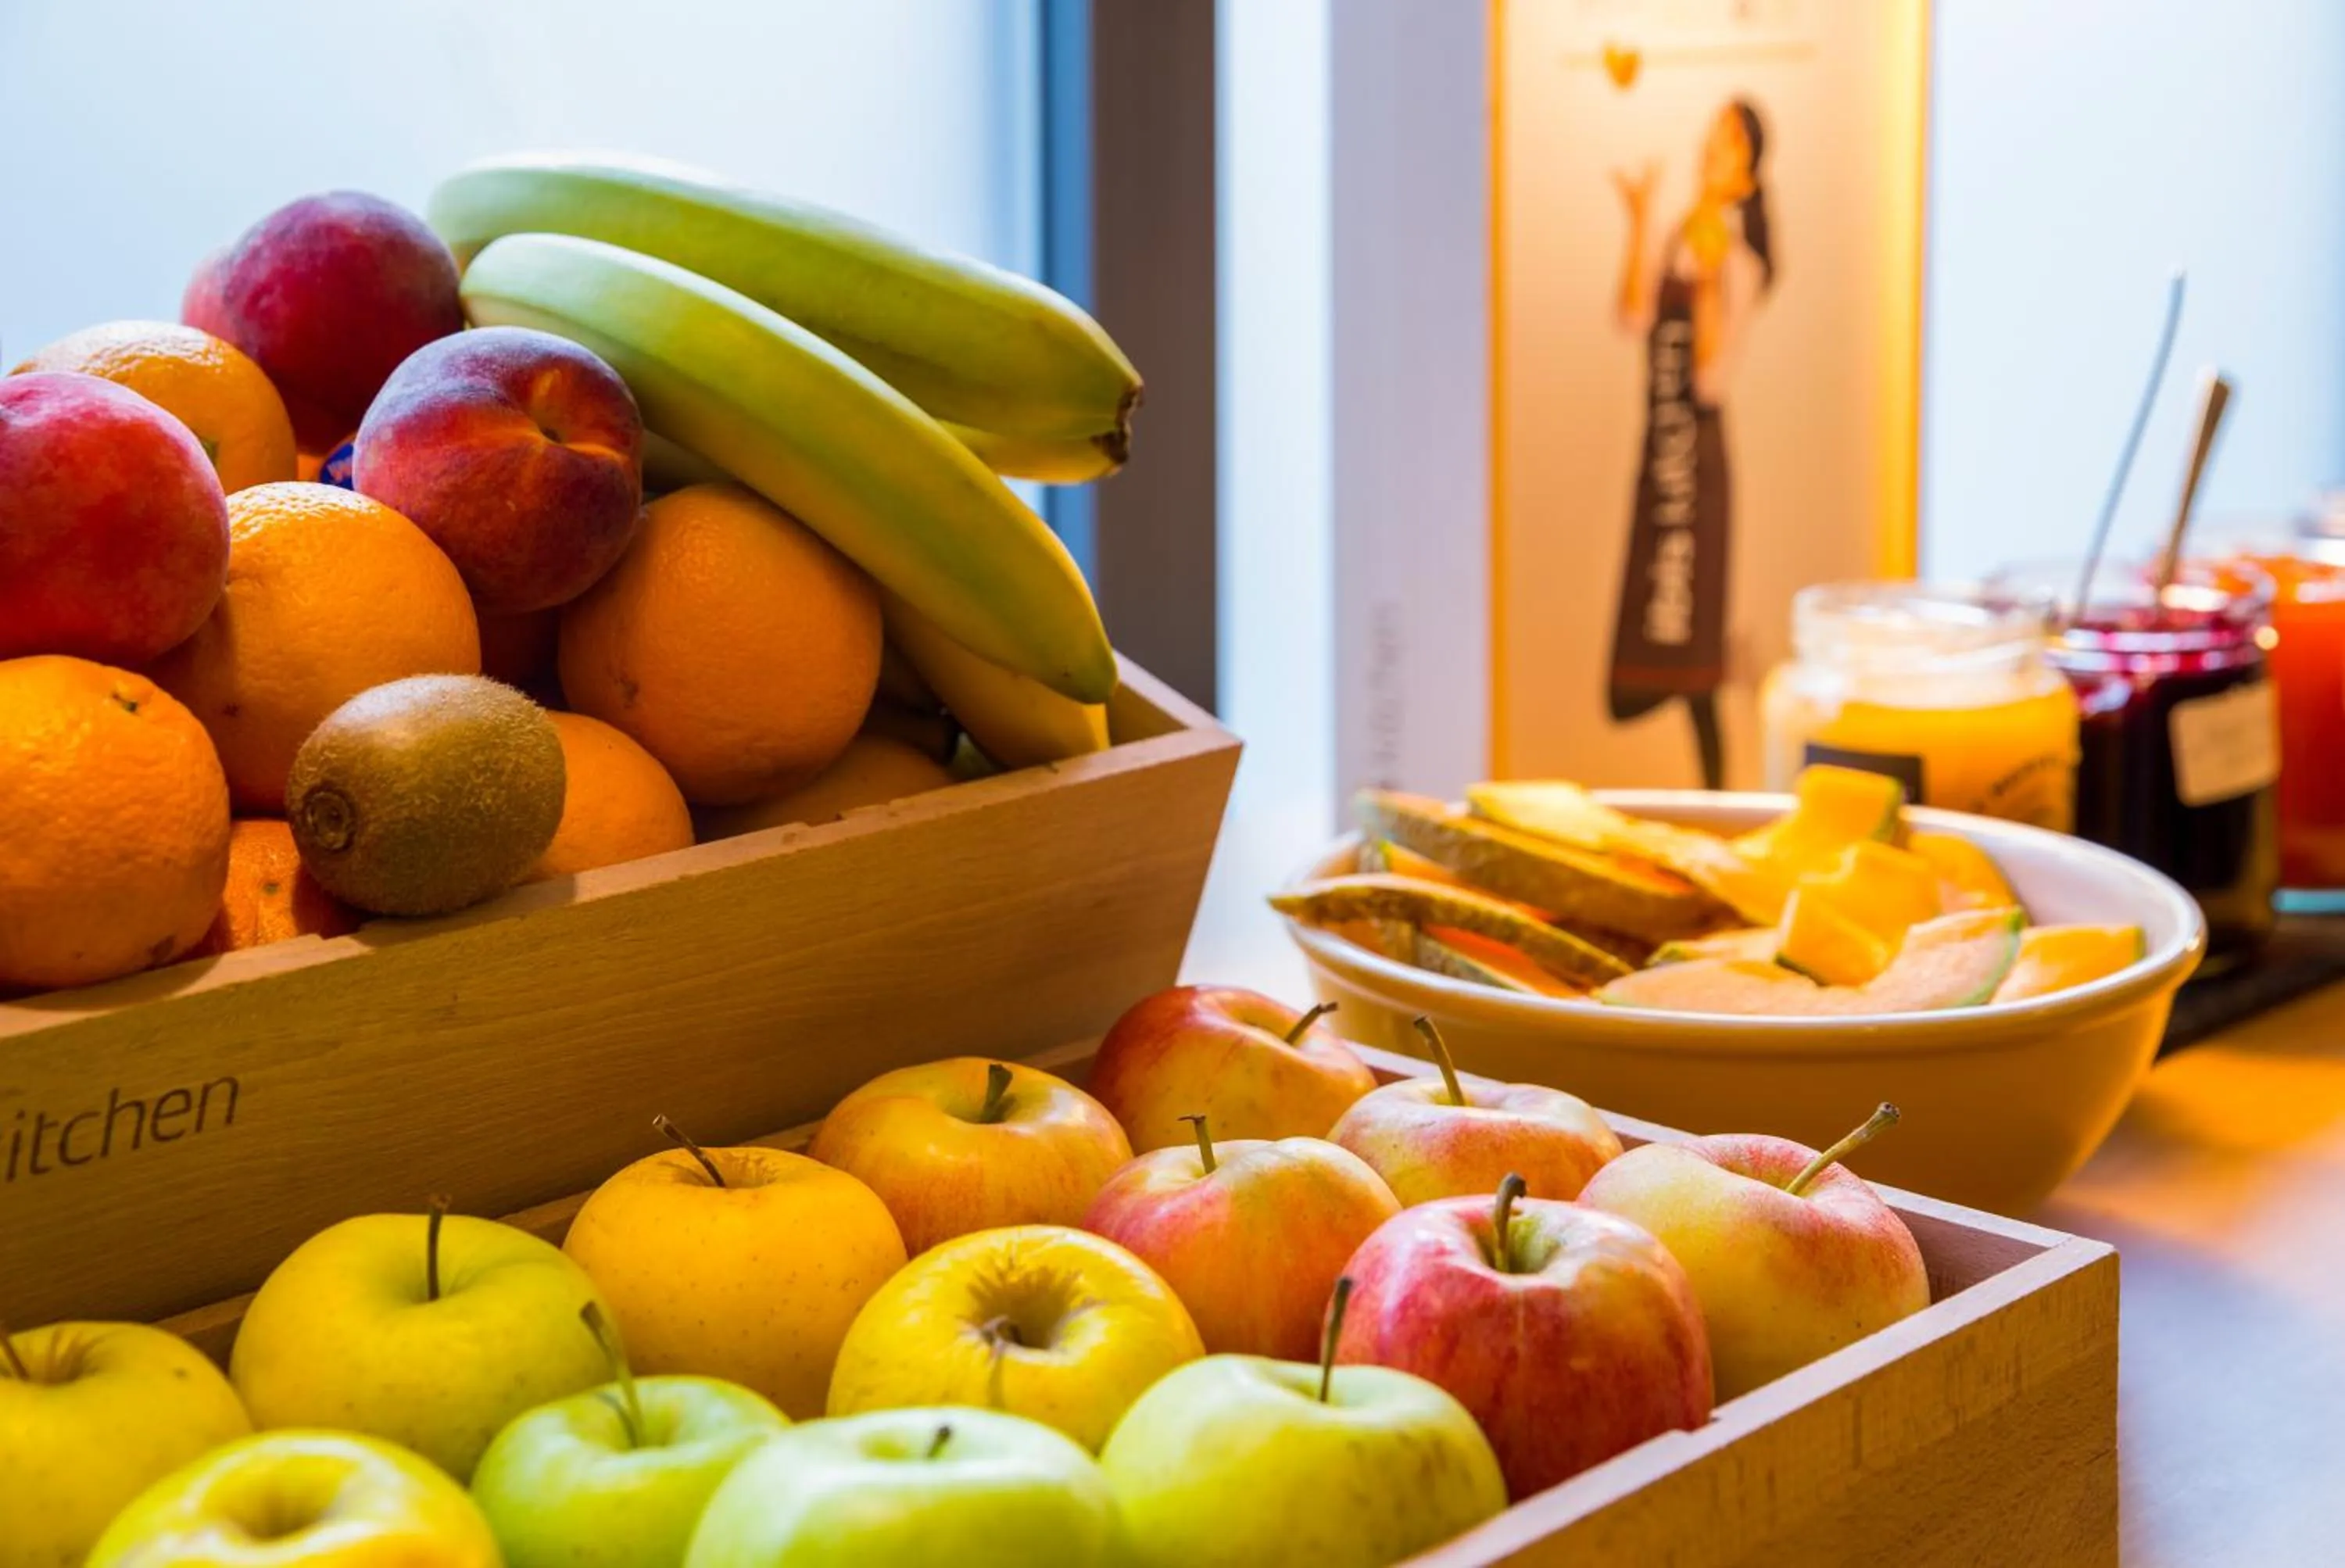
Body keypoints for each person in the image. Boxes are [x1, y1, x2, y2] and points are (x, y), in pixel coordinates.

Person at [1606, 98, 1776, 789]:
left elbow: (1710, 380)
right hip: (1659, 458)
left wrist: (1709, 284)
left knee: (1696, 649)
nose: (1712, 148)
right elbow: (1632, 316)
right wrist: (1640, 218)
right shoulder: (1678, 234)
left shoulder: (1741, 262)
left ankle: (1718, 797)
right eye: (1712, 134)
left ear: (1749, 171)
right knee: (1650, 642)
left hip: (1697, 467)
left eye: (1730, 141)